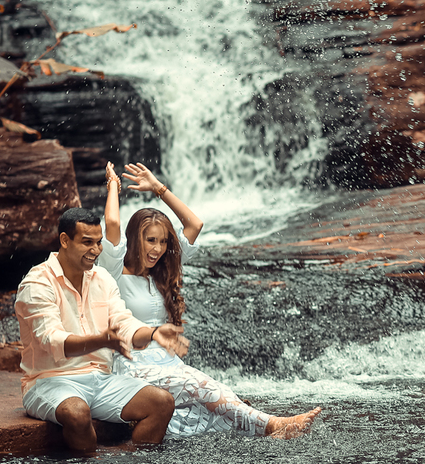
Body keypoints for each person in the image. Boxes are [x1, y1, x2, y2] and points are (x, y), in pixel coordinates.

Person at [100, 161, 320, 439]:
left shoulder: (164, 270)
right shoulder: (113, 272)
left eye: (163, 242)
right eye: (151, 240)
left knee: (212, 405)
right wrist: (113, 186)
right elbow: (112, 223)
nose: (158, 249)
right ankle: (274, 424)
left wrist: (158, 188)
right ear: (134, 240)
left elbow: (195, 224)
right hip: (133, 366)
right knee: (203, 386)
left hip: (168, 364)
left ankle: (272, 432)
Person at [15, 207, 188, 451]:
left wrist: (153, 333)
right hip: (49, 382)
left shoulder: (103, 278)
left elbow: (124, 322)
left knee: (161, 402)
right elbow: (53, 341)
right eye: (87, 243)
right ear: (64, 240)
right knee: (77, 413)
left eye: (98, 242)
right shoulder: (37, 283)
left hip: (101, 380)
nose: (96, 250)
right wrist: (101, 340)